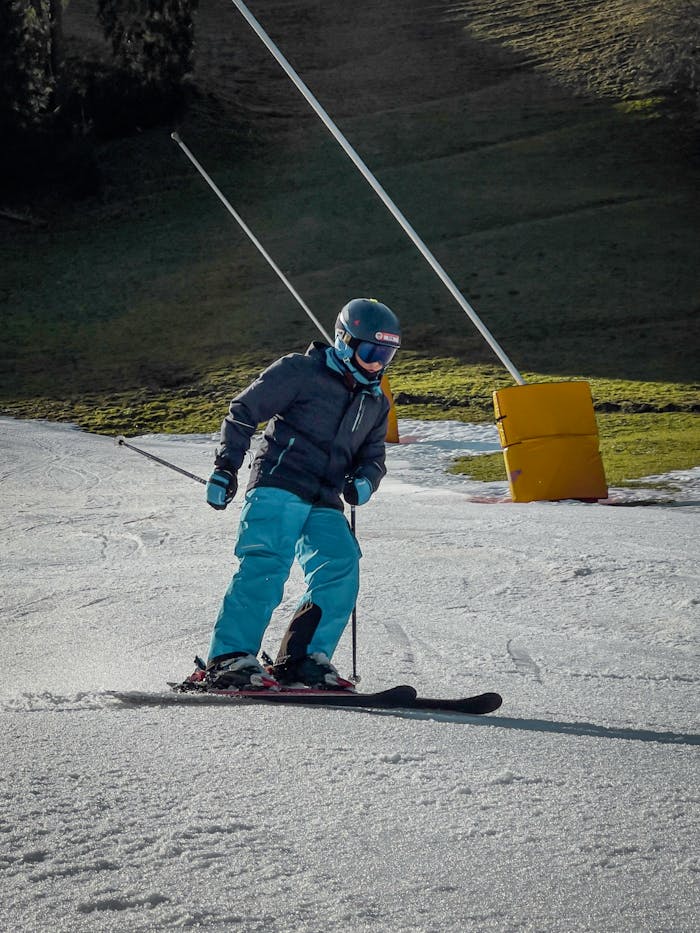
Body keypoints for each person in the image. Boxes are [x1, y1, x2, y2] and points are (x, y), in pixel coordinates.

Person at [203, 298, 402, 691]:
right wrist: (226, 467)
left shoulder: (375, 402)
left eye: (386, 355)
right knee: (267, 564)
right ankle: (229, 659)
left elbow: (373, 457)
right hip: (280, 483)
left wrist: (364, 481)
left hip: (325, 497)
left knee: (341, 565)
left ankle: (302, 659)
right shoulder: (300, 371)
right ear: (345, 342)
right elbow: (243, 411)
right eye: (371, 352)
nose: (377, 364)